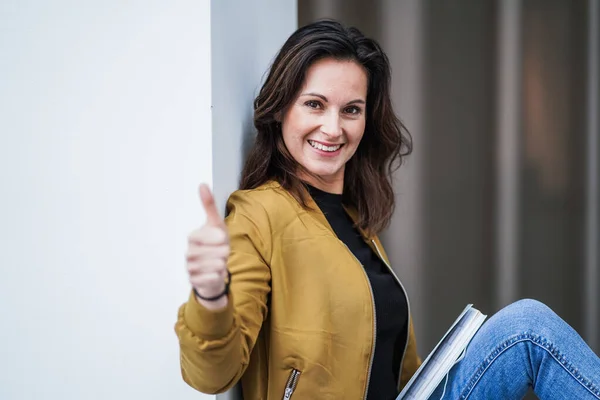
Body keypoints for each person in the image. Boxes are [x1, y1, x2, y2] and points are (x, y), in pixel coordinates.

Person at [175, 19, 600, 400]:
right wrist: (211, 295)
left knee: (525, 328)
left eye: (351, 110)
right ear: (281, 107)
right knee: (527, 327)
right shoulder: (258, 213)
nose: (333, 127)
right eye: (314, 104)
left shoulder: (357, 224)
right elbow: (212, 375)